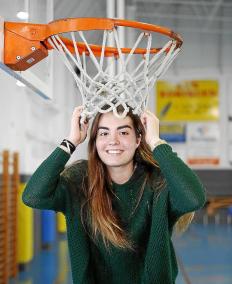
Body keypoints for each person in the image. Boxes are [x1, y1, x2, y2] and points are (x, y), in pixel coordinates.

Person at [22, 105, 206, 284]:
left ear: (138, 139)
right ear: (94, 141)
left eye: (123, 132)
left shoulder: (158, 182)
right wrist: (70, 141)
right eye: (104, 133)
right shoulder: (80, 181)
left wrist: (156, 142)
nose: (113, 140)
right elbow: (33, 196)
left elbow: (194, 199)